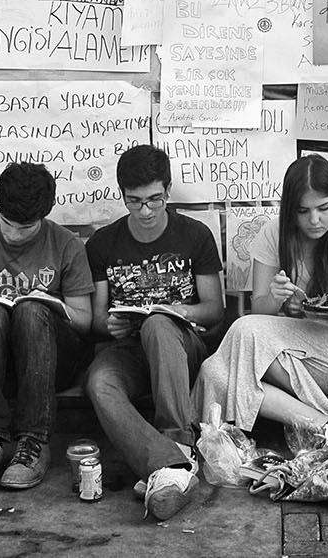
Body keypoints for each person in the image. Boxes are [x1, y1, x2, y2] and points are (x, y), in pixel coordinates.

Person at [195, 155, 328, 435]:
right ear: (290, 210)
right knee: (213, 373)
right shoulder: (273, 235)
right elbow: (261, 310)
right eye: (303, 211)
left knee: (242, 331)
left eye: (324, 208)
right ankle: (326, 425)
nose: (314, 220)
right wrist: (276, 297)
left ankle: (323, 419)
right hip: (286, 348)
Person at [84, 145, 225, 521]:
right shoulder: (103, 243)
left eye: (154, 200)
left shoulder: (195, 235)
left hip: (180, 346)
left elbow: (215, 309)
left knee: (159, 324)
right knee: (99, 382)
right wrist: (109, 324)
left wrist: (175, 311)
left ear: (168, 189)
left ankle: (178, 439)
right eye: (135, 201)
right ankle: (172, 466)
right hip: (128, 349)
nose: (145, 211)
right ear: (122, 195)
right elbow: (97, 319)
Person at [0, 162, 94, 491]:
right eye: (7, 224)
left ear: (44, 215)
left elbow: (85, 322)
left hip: (49, 363)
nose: (13, 234)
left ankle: (33, 442)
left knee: (29, 310)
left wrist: (50, 304)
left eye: (24, 229)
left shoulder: (66, 244)